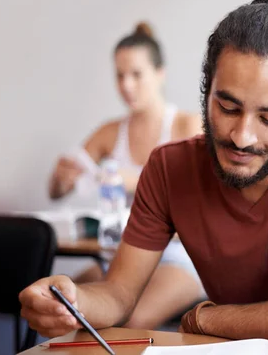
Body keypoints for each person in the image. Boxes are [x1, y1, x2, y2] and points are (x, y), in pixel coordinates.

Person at [20, 0, 268, 343]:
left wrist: (206, 318)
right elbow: (118, 295)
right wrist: (73, 300)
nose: (242, 136)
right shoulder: (168, 168)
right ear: (206, 88)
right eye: (228, 107)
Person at [47, 22, 206, 329]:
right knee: (60, 309)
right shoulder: (110, 132)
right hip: (122, 256)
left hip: (178, 255)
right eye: (119, 75)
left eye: (136, 74)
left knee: (127, 321)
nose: (127, 85)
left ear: (160, 74)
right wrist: (60, 177)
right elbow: (55, 192)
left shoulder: (188, 127)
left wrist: (131, 180)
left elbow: (201, 208)